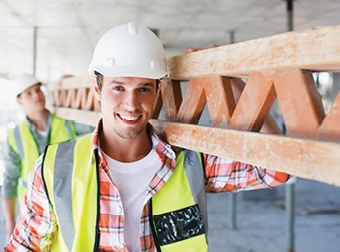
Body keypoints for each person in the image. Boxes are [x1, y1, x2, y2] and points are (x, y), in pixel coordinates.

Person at [3, 23, 291, 251]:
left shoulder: (190, 164)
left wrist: (235, 84)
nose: (131, 104)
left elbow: (277, 170)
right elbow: (25, 246)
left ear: (157, 92)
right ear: (96, 89)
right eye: (118, 88)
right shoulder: (54, 170)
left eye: (143, 89)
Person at [1, 73, 94, 242]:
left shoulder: (67, 123)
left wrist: (70, 86)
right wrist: (10, 227)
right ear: (19, 101)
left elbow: (97, 123)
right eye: (29, 93)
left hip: (68, 206)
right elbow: (9, 182)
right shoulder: (14, 137)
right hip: (32, 210)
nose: (36, 95)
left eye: (38, 90)